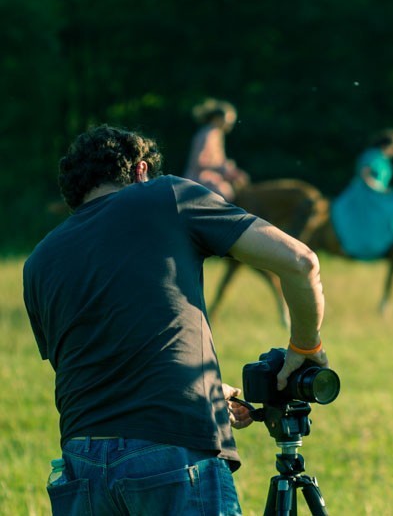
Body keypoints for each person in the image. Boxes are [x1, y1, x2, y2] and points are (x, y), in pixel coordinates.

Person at [23, 124, 328, 515]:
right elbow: (300, 262)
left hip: (79, 466)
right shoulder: (165, 194)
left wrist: (203, 389)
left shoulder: (39, 260)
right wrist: (305, 347)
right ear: (141, 171)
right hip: (172, 453)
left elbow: (96, 361)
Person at [330, 128, 393, 259]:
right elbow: (365, 177)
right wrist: (380, 189)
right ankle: (366, 246)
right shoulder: (372, 156)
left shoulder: (384, 159)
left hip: (377, 195)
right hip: (365, 194)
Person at [184, 98, 250, 201]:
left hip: (211, 176)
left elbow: (220, 161)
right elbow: (199, 162)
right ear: (218, 118)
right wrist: (223, 169)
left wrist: (233, 171)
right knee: (224, 192)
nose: (230, 123)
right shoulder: (207, 134)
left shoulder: (217, 134)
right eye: (228, 119)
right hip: (198, 177)